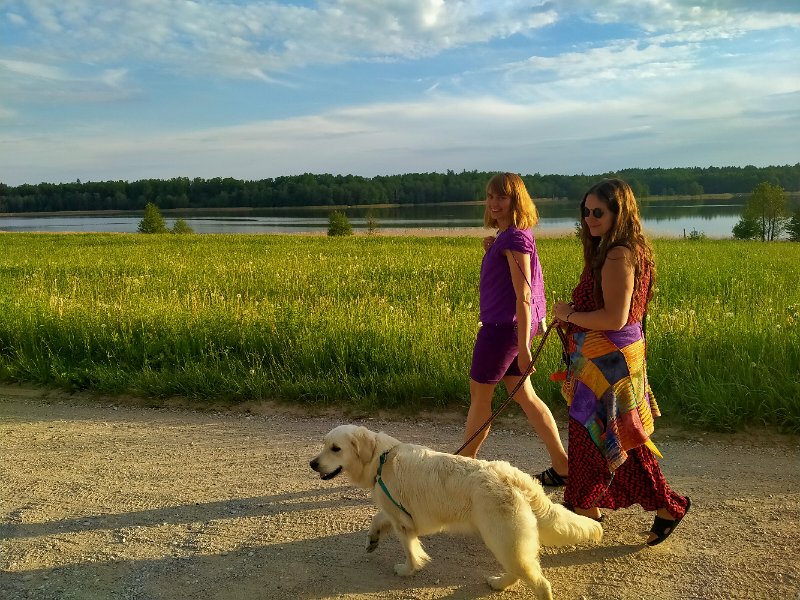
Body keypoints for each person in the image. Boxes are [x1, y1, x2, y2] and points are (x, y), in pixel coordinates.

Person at [552, 178, 690, 546]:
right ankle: (586, 506)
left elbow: (615, 318)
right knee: (605, 437)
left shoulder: (617, 255)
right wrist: (575, 316)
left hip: (609, 366)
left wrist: (568, 314)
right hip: (607, 363)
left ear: (619, 212)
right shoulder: (624, 250)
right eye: (585, 211)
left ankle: (665, 506)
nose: (589, 218)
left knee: (613, 439)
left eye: (598, 211)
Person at [461, 172, 569, 486]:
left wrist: (523, 348)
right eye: (490, 196)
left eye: (502, 197)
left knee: (480, 397)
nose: (494, 203)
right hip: (509, 328)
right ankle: (563, 466)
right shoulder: (511, 236)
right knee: (524, 395)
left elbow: (524, 295)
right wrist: (494, 247)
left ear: (516, 200)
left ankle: (462, 467)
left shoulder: (515, 238)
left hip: (502, 331)